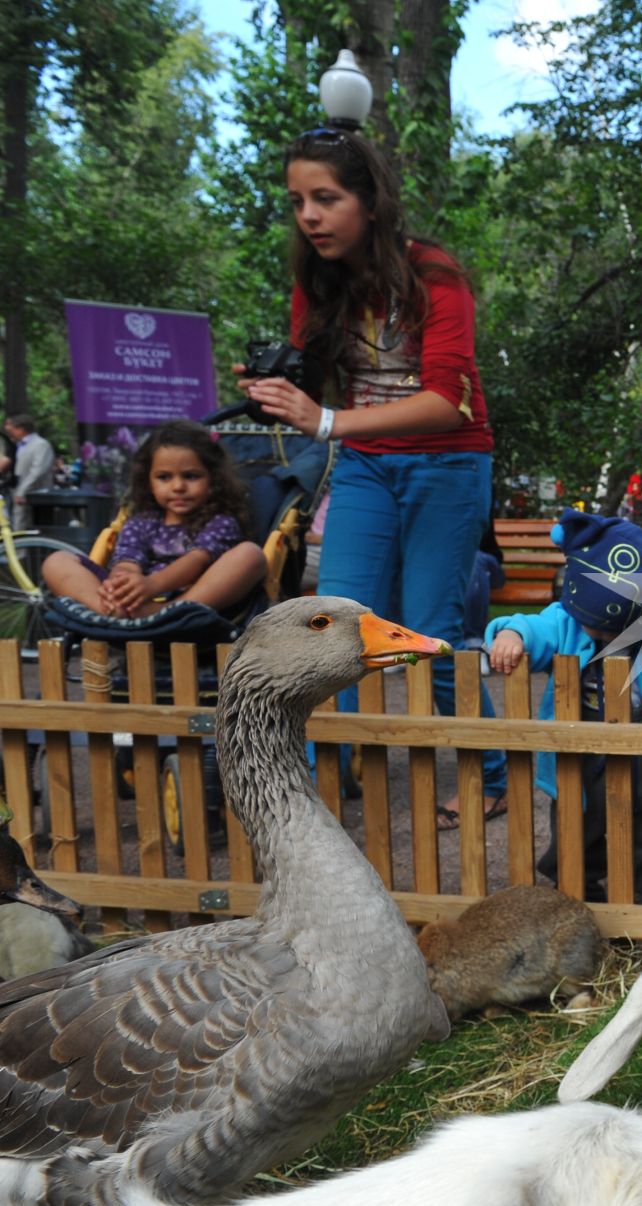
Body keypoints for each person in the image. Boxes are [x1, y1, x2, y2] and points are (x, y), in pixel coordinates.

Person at [241, 126, 507, 829]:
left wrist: (325, 420)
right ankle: (327, 772)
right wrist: (275, 383)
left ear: (370, 200)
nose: (309, 215)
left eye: (325, 198)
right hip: (366, 468)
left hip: (447, 465)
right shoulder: (318, 283)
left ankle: (491, 770)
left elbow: (447, 404)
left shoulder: (434, 274)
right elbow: (315, 380)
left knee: (429, 627)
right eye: (298, 200)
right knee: (335, 624)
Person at [485, 512, 642, 904]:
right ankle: (575, 894)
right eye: (598, 630)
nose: (606, 637)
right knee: (575, 819)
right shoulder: (567, 620)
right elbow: (535, 628)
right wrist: (511, 633)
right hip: (581, 739)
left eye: (615, 631)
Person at [41, 421, 267, 618]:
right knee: (57, 560)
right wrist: (121, 587)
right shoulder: (141, 521)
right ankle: (108, 610)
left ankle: (168, 613)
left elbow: (196, 561)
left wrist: (152, 585)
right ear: (148, 481)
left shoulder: (220, 521)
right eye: (164, 477)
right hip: (137, 599)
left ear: (214, 479)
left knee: (250, 554)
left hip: (190, 598)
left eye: (191, 476)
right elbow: (128, 561)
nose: (178, 487)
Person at [3, 415, 54, 530]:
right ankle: (19, 547)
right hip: (17, 492)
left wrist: (22, 490)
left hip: (36, 492)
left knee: (35, 526)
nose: (11, 433)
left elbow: (38, 470)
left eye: (13, 430)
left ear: (21, 429)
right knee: (18, 524)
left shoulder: (41, 444)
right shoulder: (17, 445)